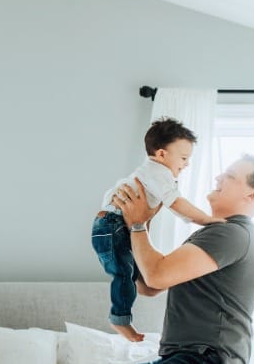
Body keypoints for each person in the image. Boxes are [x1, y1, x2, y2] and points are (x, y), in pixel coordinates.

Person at [84, 154, 254, 364]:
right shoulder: (217, 233)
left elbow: (157, 275)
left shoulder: (232, 233)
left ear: (253, 195)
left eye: (231, 176)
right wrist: (116, 241)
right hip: (183, 361)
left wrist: (139, 224)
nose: (219, 177)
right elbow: (148, 285)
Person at [93, 117, 224, 342]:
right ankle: (119, 318)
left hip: (112, 225)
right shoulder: (158, 173)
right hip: (112, 226)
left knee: (132, 273)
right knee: (123, 274)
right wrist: (205, 219)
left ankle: (138, 287)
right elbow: (177, 203)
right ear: (162, 154)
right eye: (183, 158)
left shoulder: (150, 173)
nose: (186, 164)